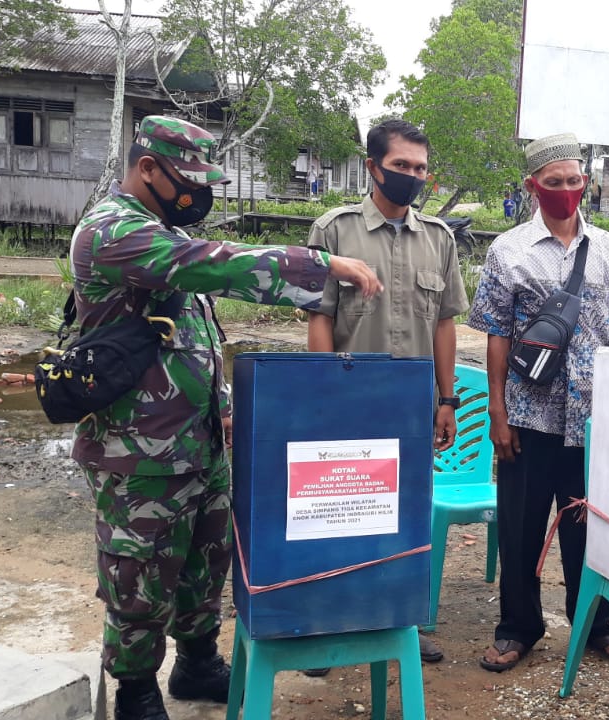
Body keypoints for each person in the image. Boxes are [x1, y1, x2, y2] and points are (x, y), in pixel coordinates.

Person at [71, 116, 380, 720]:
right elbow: (213, 263)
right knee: (138, 574)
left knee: (203, 562)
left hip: (199, 438)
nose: (198, 193)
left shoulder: (159, 230)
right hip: (139, 448)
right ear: (148, 169)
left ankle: (196, 663)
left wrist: (226, 408)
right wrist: (320, 264)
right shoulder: (112, 232)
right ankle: (135, 691)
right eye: (188, 179)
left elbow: (192, 337)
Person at [468, 132, 609, 673]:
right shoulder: (508, 250)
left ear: (584, 184)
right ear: (533, 186)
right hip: (528, 415)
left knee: (590, 529)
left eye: (573, 181)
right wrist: (497, 414)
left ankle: (593, 624)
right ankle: (518, 627)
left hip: (597, 420)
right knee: (520, 529)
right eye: (554, 183)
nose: (565, 191)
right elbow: (496, 335)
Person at [304, 119, 467, 669]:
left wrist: (447, 400)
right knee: (336, 514)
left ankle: (400, 621)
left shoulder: (439, 240)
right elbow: (319, 319)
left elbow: (444, 326)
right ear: (373, 167)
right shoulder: (335, 231)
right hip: (349, 404)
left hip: (412, 408)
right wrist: (323, 397)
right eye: (401, 167)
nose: (412, 177)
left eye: (420, 169)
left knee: (407, 518)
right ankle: (325, 625)